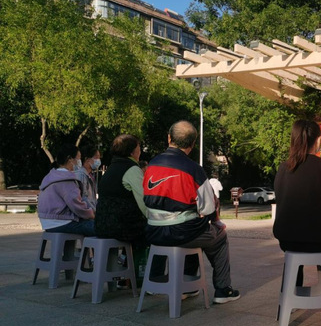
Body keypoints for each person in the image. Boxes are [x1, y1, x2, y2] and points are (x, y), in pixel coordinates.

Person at [143, 120, 240, 304]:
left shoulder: (152, 165)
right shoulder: (194, 169)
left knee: (196, 228)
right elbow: (208, 208)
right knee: (218, 236)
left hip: (153, 231)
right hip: (182, 233)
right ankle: (222, 290)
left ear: (169, 138)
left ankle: (186, 286)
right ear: (193, 144)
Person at [274, 120, 321, 318]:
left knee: (298, 251)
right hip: (320, 239)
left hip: (287, 240)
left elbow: (281, 200)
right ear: (317, 140)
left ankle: (292, 296)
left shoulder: (284, 168)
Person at [95, 134, 157, 284]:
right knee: (154, 233)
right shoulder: (132, 169)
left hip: (102, 225)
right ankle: (145, 278)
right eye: (139, 147)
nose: (140, 150)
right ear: (132, 151)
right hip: (122, 226)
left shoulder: (111, 169)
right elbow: (144, 202)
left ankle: (125, 274)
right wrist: (155, 219)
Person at [38, 143, 96, 236]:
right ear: (70, 160)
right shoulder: (66, 180)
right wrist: (91, 214)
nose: (80, 162)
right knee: (101, 228)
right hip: (61, 222)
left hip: (47, 222)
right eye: (78, 158)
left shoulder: (52, 176)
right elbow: (77, 206)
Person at [75, 144, 100, 210]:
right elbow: (83, 198)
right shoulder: (81, 175)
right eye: (96, 157)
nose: (99, 160)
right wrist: (93, 211)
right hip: (87, 213)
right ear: (87, 159)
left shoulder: (90, 175)